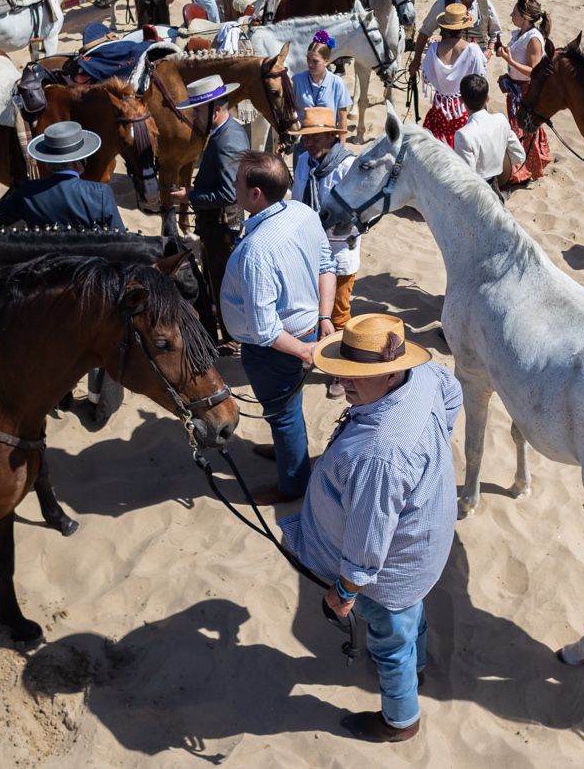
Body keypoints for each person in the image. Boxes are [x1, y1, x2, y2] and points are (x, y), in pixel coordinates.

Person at [284, 312, 461, 743]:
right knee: (410, 616)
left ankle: (400, 720)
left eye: (357, 376)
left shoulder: (379, 453)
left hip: (388, 574)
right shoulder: (424, 376)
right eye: (344, 372)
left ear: (390, 373)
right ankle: (417, 666)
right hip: (422, 548)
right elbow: (452, 392)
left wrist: (342, 593)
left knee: (389, 641)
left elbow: (367, 545)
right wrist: (434, 445)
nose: (344, 383)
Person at [222, 151, 337, 505]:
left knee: (283, 414)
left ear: (256, 194)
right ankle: (290, 450)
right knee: (289, 408)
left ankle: (292, 484)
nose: (234, 185)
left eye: (239, 181)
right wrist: (324, 317)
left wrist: (304, 351)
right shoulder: (302, 212)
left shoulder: (257, 251)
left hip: (278, 349)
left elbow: (264, 329)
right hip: (306, 331)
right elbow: (326, 264)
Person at [0, 123, 121, 231]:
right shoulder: (101, 194)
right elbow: (120, 239)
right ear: (82, 160)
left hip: (44, 274)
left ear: (48, 162)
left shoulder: (28, 193)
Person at [180, 74, 249, 345]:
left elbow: (228, 193)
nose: (195, 116)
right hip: (217, 226)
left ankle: (232, 338)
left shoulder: (227, 141)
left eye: (197, 110)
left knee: (223, 284)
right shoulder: (223, 132)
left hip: (223, 227)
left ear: (215, 110)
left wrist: (190, 196)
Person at [292, 107, 360, 333]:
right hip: (309, 251)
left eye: (315, 137)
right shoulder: (303, 161)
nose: (308, 143)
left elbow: (358, 217)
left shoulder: (348, 166)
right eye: (306, 137)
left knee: (338, 315)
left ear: (332, 136)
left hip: (339, 253)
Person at [493, 0, 552, 182]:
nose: (511, 15)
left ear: (525, 17)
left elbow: (534, 72)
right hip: (515, 88)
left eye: (515, 13)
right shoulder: (520, 34)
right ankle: (523, 167)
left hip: (526, 92)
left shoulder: (533, 39)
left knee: (524, 130)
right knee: (519, 128)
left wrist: (509, 60)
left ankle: (524, 170)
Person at [420, 3, 486, 148]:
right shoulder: (472, 50)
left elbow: (427, 76)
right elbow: (480, 78)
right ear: (464, 27)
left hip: (440, 106)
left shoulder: (434, 49)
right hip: (462, 106)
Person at [451, 73, 524, 184]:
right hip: (498, 182)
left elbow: (467, 178)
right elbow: (519, 156)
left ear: (461, 100)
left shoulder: (463, 135)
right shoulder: (501, 120)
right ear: (487, 98)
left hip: (479, 190)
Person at [295, 38, 353, 131]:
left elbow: (342, 119)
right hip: (304, 139)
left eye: (315, 61)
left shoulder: (337, 83)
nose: (310, 64)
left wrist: (341, 145)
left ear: (326, 61)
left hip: (328, 139)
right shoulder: (296, 81)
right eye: (308, 59)